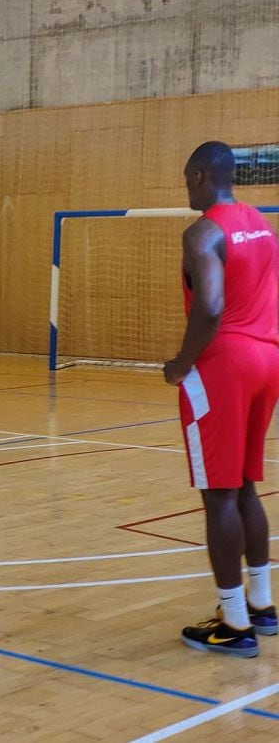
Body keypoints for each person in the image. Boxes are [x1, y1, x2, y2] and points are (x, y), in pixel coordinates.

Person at [164, 141, 279, 658]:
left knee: (219, 494)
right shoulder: (261, 223)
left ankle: (233, 624)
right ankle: (262, 604)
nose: (186, 185)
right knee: (246, 485)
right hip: (268, 357)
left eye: (188, 176)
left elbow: (209, 307)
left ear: (200, 175)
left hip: (225, 365)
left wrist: (182, 363)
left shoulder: (203, 232)